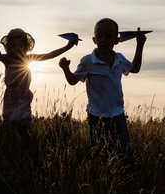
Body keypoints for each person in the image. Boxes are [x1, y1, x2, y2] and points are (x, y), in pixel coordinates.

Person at [59, 18, 147, 159]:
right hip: (97, 116)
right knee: (99, 153)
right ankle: (101, 176)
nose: (103, 40)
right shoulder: (88, 61)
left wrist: (140, 45)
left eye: (108, 36)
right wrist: (65, 69)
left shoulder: (119, 59)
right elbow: (72, 81)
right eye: (99, 36)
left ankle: (124, 177)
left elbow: (135, 68)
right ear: (94, 40)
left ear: (116, 40)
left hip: (118, 114)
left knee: (124, 152)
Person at [0, 28, 76, 142]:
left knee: (23, 120)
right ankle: (9, 143)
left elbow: (50, 55)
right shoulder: (7, 59)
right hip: (10, 96)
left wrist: (68, 46)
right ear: (9, 48)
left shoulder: (28, 58)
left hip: (23, 94)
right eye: (14, 45)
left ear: (26, 47)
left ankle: (26, 142)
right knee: (9, 121)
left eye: (21, 45)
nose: (17, 48)